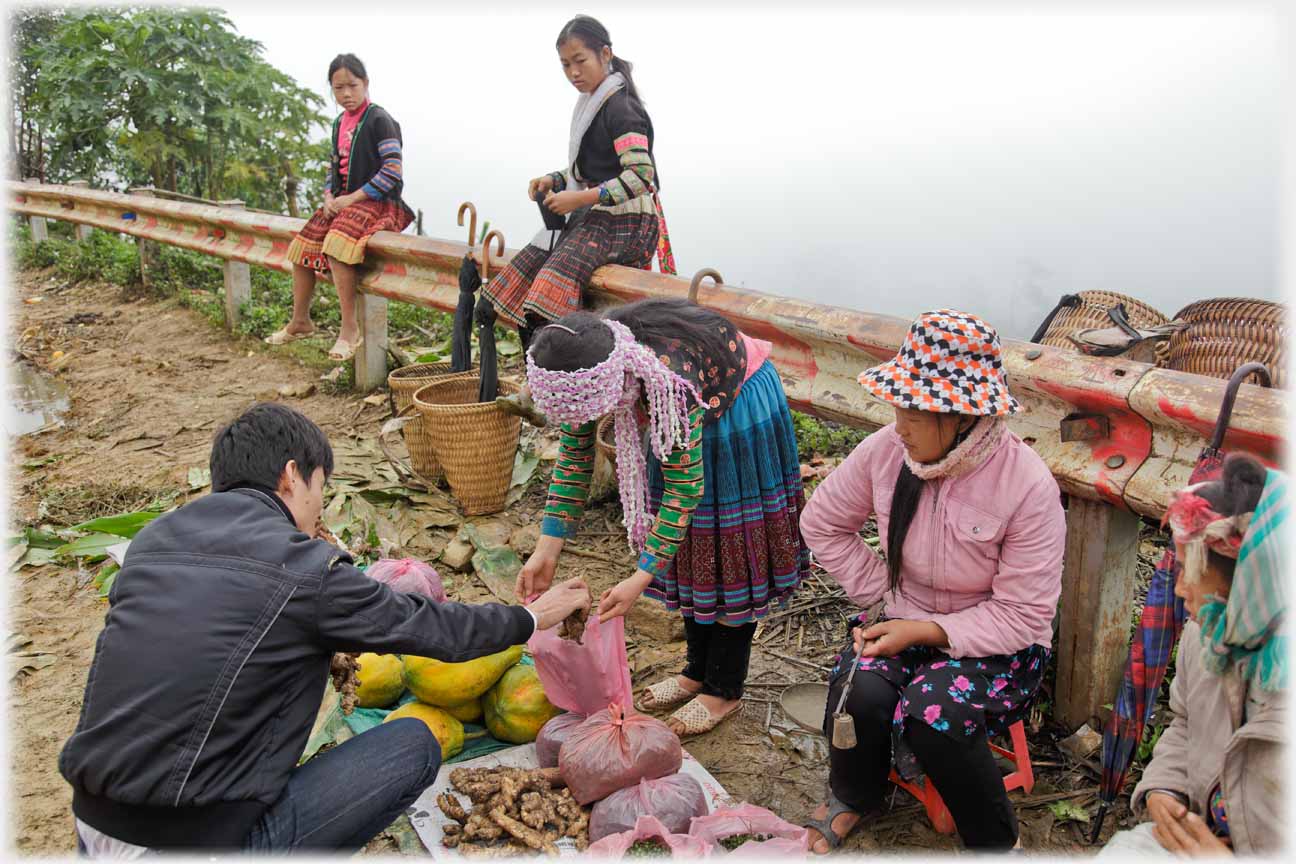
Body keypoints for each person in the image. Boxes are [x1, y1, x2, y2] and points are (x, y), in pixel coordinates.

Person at [59, 403, 589, 854]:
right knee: (413, 743)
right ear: (291, 476)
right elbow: (432, 628)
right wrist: (531, 617)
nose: (319, 507)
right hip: (201, 841)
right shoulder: (304, 569)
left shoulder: (151, 543)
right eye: (320, 486)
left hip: (94, 822)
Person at [797, 309, 1066, 853]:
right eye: (898, 408)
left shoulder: (1027, 486)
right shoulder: (885, 452)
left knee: (935, 712)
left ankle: (994, 841)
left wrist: (924, 631)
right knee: (860, 690)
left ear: (963, 415)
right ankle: (854, 796)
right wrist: (882, 597)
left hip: (999, 645)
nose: (899, 426)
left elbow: (1024, 616)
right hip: (903, 615)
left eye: (914, 413)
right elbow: (822, 523)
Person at [515, 299, 808, 737]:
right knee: (690, 547)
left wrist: (641, 577)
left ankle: (724, 687)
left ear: (610, 385)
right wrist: (546, 548)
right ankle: (695, 671)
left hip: (734, 401)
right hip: (680, 411)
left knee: (728, 545)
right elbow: (575, 457)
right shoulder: (586, 369)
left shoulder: (666, 384)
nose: (585, 421)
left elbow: (685, 492)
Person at [471, 15, 673, 412]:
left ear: (605, 54)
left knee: (550, 285)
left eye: (580, 60)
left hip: (629, 221)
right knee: (520, 276)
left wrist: (578, 200)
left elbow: (641, 178)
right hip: (598, 217)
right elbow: (584, 174)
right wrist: (553, 179)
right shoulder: (590, 107)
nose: (573, 72)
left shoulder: (623, 109)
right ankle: (542, 385)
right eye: (565, 64)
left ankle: (550, 390)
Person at [1099, 453, 1287, 857]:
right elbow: (1185, 724)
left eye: (1192, 572)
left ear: (1247, 585)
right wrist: (1164, 789)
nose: (1180, 590)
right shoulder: (1204, 640)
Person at [266, 53, 414, 362]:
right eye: (338, 88)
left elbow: (392, 172)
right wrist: (328, 198)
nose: (346, 94)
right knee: (302, 247)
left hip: (377, 203)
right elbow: (333, 168)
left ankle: (350, 330)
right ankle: (300, 321)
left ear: (366, 84)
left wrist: (352, 198)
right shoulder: (339, 123)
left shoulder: (379, 120)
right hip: (345, 202)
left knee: (336, 245)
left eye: (352, 86)